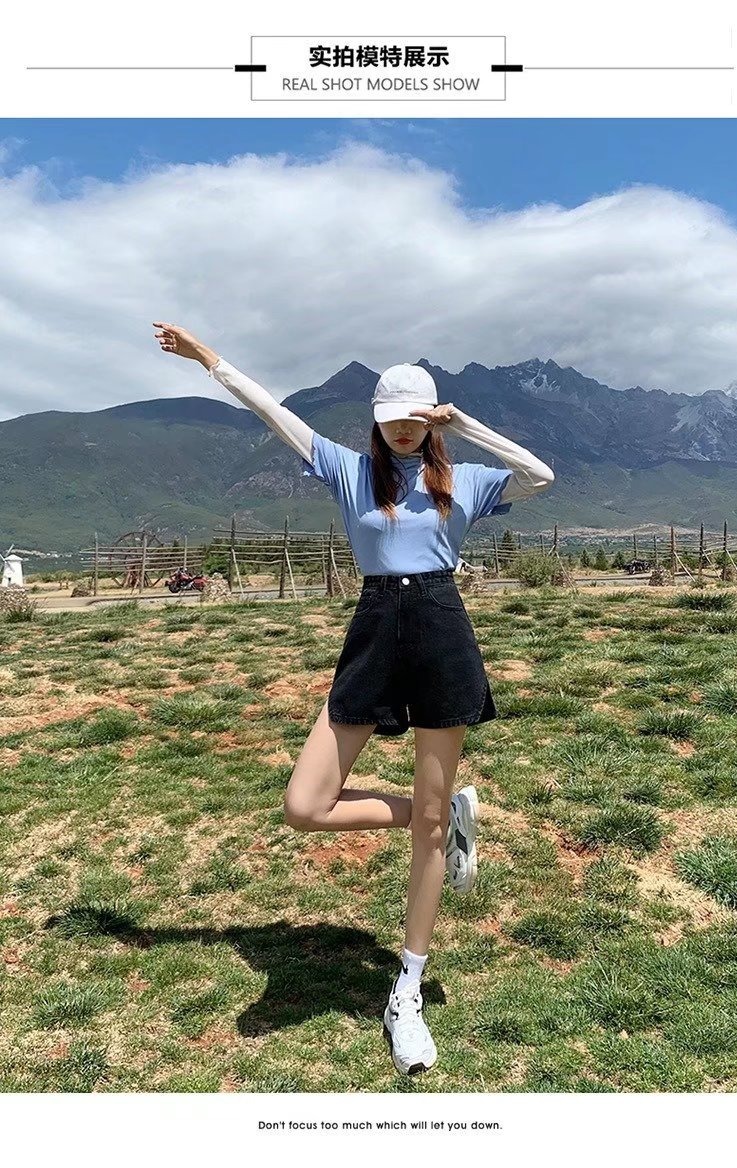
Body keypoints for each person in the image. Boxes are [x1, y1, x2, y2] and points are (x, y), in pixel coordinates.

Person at [153, 321, 555, 1075]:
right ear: (376, 421)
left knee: (426, 827)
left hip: (441, 631)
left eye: (416, 418)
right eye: (393, 418)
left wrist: (463, 424)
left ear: (430, 421)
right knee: (306, 804)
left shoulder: (463, 481)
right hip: (374, 631)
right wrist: (208, 359)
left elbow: (539, 476)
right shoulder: (347, 471)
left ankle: (407, 989)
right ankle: (441, 815)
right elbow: (271, 411)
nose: (404, 430)